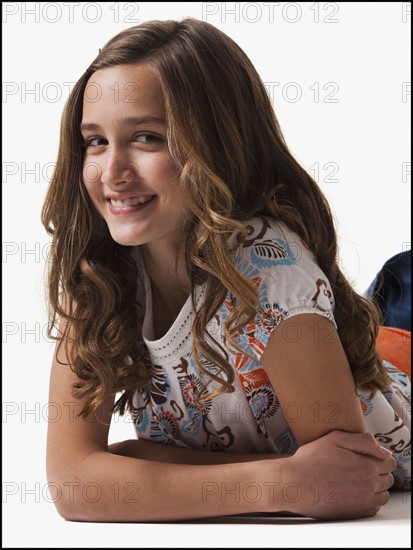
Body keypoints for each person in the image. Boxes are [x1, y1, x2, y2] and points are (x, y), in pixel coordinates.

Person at [42, 18, 410, 523]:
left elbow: (342, 478)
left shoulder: (266, 272)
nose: (112, 172)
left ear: (217, 144)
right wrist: (280, 482)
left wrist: (149, 471)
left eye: (147, 138)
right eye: (96, 141)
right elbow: (75, 484)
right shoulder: (99, 272)